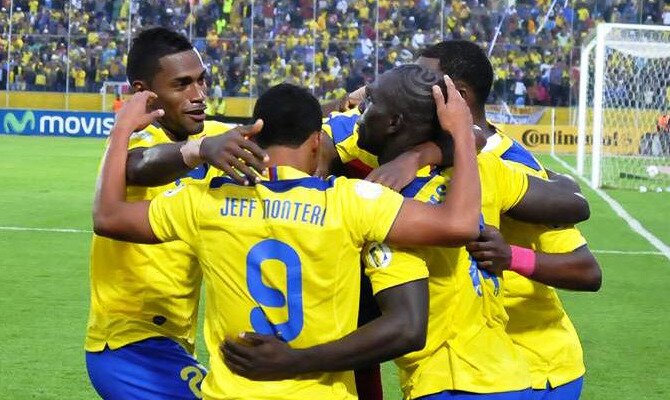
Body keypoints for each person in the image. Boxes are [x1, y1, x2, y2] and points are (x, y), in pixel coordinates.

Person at [92, 79, 482, 399]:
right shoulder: (352, 202)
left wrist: (122, 128)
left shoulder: (204, 200)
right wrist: (460, 133)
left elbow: (108, 216)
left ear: (255, 136)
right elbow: (459, 225)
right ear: (316, 142)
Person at [220, 64, 590, 400]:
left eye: (370, 106)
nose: (359, 112)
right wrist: (453, 140)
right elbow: (574, 201)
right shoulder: (480, 173)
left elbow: (405, 328)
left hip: (451, 383)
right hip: (511, 378)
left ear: (394, 122)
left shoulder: (390, 208)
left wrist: (293, 361)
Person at [85, 27, 267, 399]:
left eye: (202, 81)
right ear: (144, 93)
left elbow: (285, 129)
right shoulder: (134, 141)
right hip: (127, 344)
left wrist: (350, 101)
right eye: (182, 84)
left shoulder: (211, 133)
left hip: (173, 344)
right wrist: (198, 151)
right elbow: (139, 166)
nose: (199, 95)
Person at [416, 40, 601, 400]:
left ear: (461, 94)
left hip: (538, 365)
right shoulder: (439, 152)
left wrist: (511, 257)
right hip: (479, 367)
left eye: (425, 80)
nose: (414, 85)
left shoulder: (515, 168)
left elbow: (586, 270)